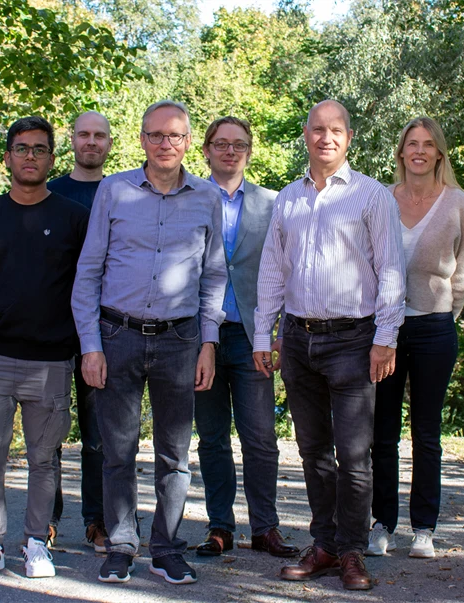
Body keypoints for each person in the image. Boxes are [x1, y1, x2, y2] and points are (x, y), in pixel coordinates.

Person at [72, 100, 227, 585]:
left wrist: (209, 343)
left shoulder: (206, 197)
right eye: (156, 135)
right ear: (141, 139)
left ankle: (166, 547)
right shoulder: (114, 191)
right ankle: (120, 544)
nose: (166, 144)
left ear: (188, 143)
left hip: (180, 340)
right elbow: (89, 271)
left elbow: (214, 276)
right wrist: (90, 345)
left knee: (174, 454)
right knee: (117, 447)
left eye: (176, 136)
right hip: (116, 335)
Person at [253, 99, 406, 591]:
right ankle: (324, 544)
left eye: (336, 130)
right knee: (313, 450)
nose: (326, 138)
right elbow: (273, 272)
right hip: (299, 340)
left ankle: (352, 553)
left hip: (354, 342)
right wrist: (264, 334)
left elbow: (391, 273)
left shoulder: (371, 196)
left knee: (354, 456)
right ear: (305, 134)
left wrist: (385, 339)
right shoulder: (288, 199)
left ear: (349, 137)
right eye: (318, 129)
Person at [0, 116, 87, 579]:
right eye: (22, 148)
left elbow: (88, 288)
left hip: (50, 362)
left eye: (40, 149)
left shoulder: (73, 218)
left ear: (52, 158)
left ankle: (35, 542)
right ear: (7, 157)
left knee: (43, 458)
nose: (31, 156)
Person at [368, 117, 464, 559]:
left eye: (428, 144)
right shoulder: (380, 199)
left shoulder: (457, 203)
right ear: (401, 153)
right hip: (384, 331)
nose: (419, 150)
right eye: (411, 143)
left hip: (434, 327)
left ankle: (424, 529)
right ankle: (382, 523)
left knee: (426, 433)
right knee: (383, 432)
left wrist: (445, 314)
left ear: (439, 154)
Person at [192, 116, 298, 559]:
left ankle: (265, 528)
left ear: (249, 151)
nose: (229, 151)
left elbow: (290, 270)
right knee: (212, 436)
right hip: (203, 338)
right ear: (206, 151)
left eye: (238, 144)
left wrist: (278, 334)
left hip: (254, 335)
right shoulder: (190, 199)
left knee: (260, 437)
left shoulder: (272, 203)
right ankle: (220, 526)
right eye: (221, 144)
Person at [45, 111, 113, 552]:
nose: (91, 141)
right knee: (47, 432)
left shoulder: (122, 191)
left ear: (109, 142)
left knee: (99, 434)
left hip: (104, 330)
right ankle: (45, 519)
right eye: (83, 134)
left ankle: (99, 520)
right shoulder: (49, 193)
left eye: (99, 135)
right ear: (72, 140)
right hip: (51, 328)